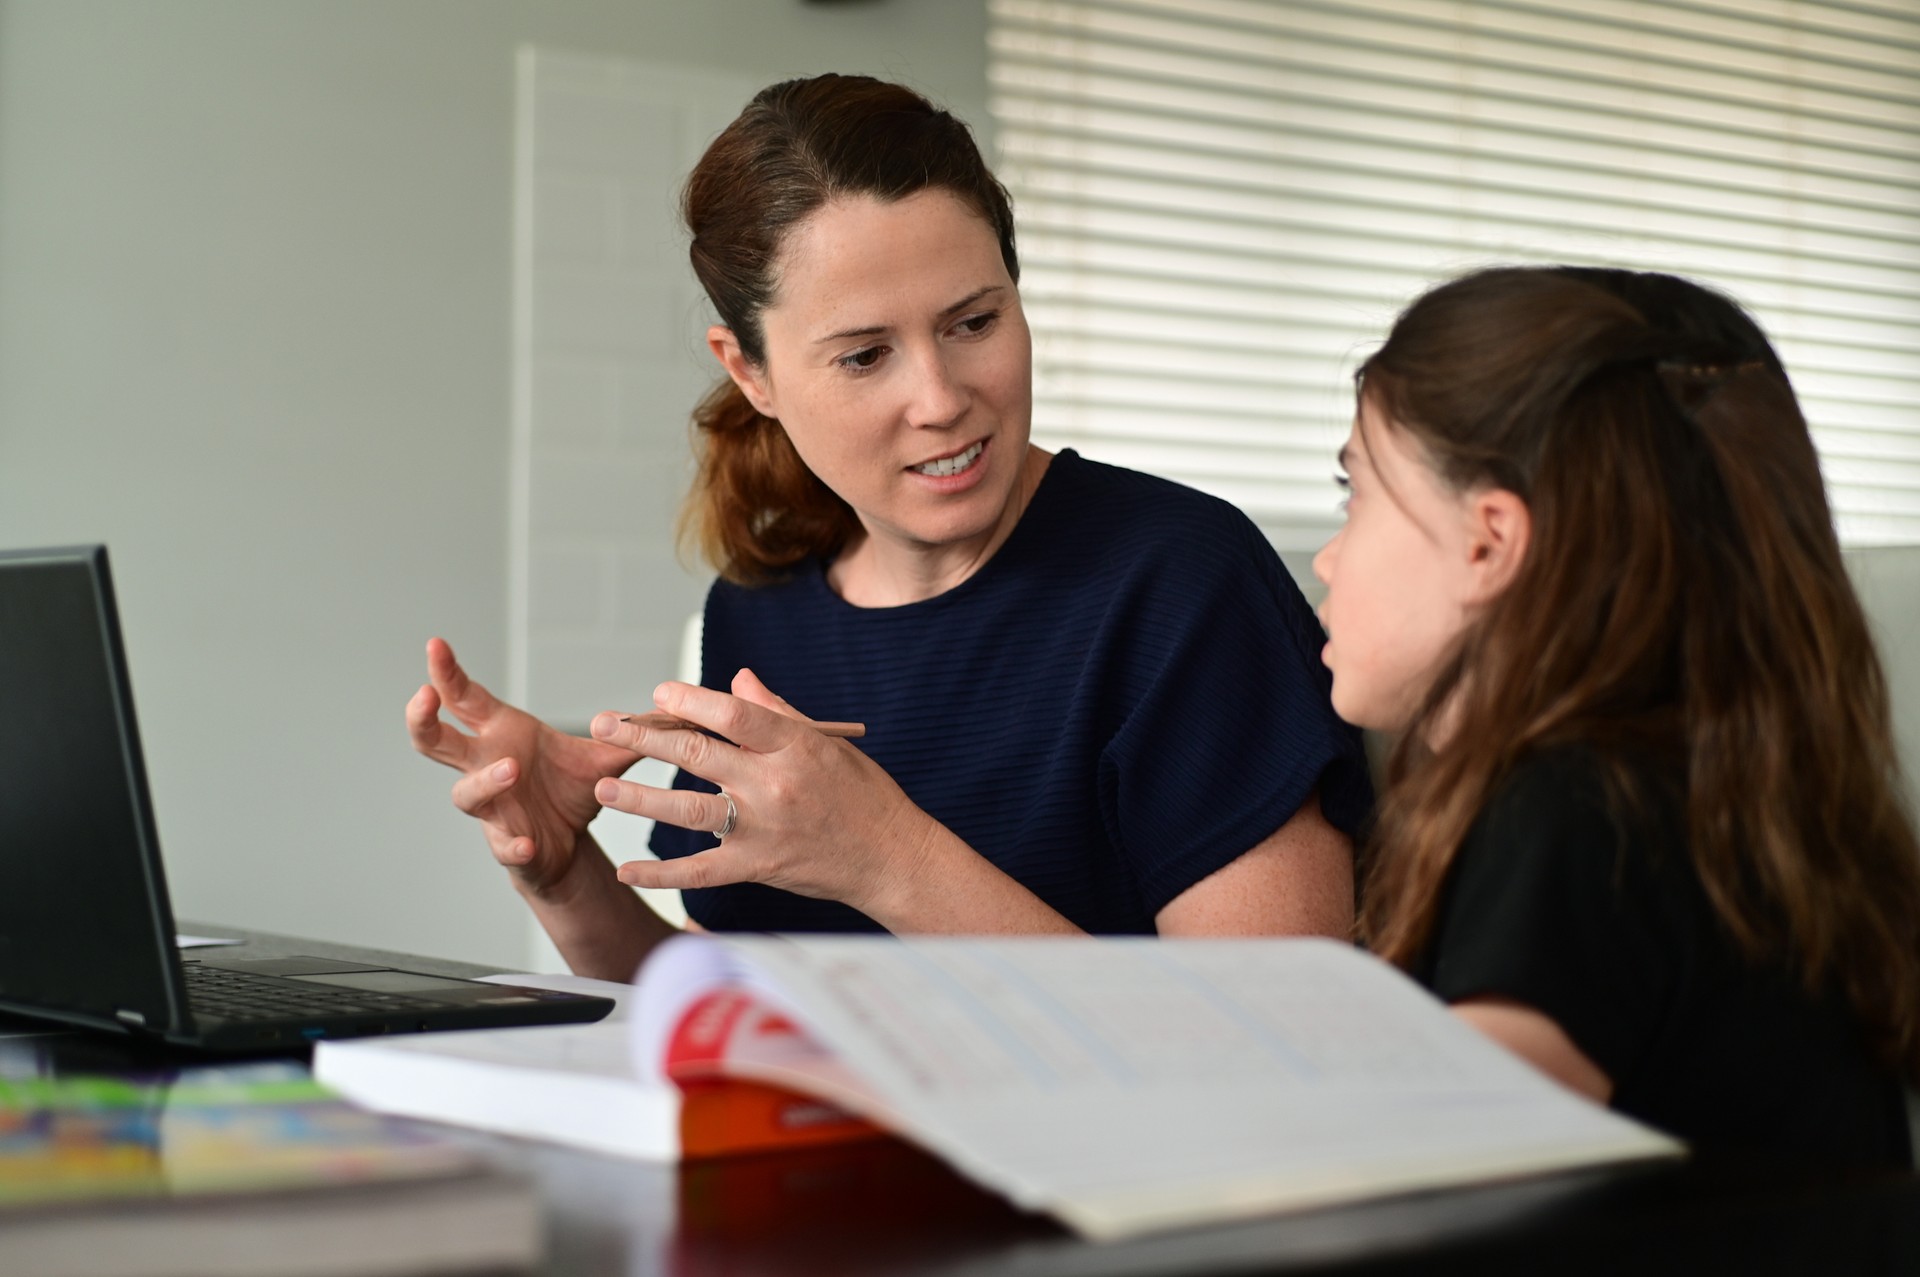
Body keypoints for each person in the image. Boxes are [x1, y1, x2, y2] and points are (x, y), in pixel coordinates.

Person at [408, 74, 1372, 980]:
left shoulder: (1180, 583)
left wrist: (884, 854)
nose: (942, 398)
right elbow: (726, 1001)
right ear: (752, 374)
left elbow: (1277, 1042)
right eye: (866, 355)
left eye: (973, 323)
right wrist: (563, 869)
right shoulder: (759, 615)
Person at [1314, 264, 1920, 1163]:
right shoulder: (1719, 791)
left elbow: (1435, 1196)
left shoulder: (1571, 812)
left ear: (1489, 542)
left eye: (1353, 495)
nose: (1327, 560)